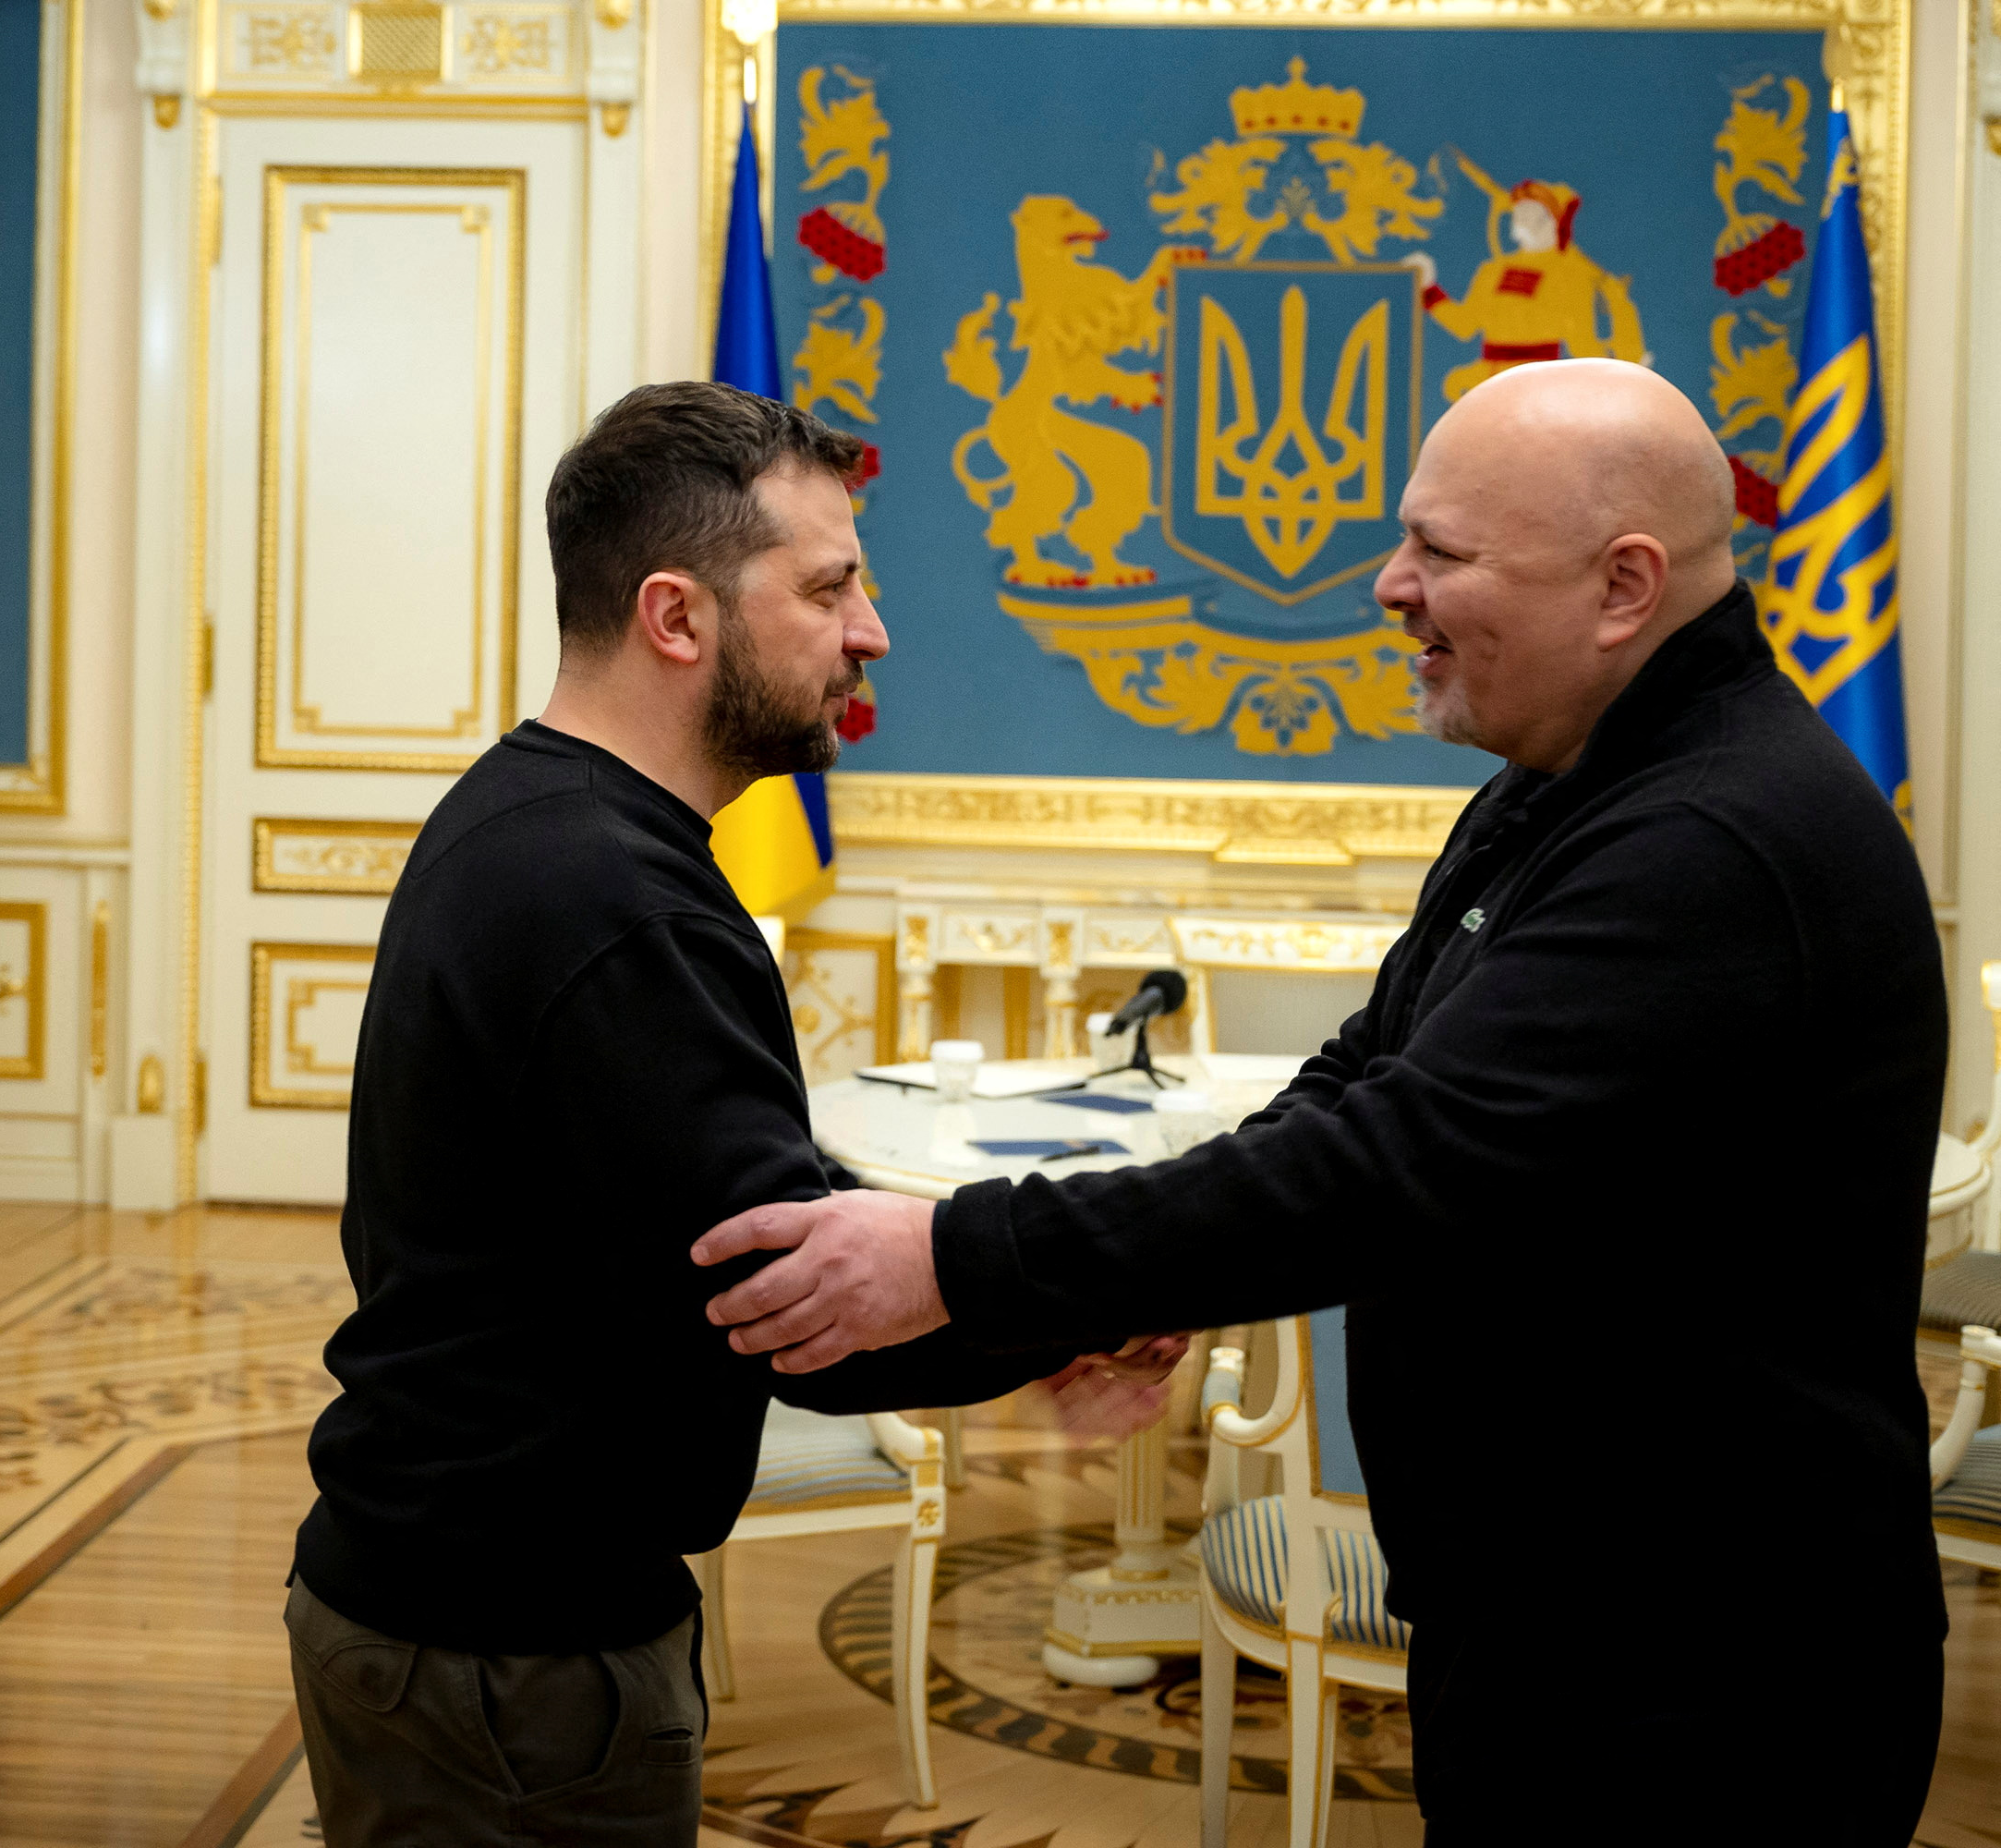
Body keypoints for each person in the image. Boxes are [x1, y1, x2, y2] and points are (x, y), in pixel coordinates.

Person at [694, 359, 1949, 1843]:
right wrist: (1145, 1281)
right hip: (1561, 1634)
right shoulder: (1568, 777)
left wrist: (958, 1256)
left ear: (1624, 587)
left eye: (1445, 554)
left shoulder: (1713, 840)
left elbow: (1399, 1165)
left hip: (1707, 1683)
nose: (1390, 584)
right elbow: (1368, 1077)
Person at [286, 382, 1117, 1848]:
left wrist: (995, 1278)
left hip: (454, 1616)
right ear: (678, 618)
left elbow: (736, 1185)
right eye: (829, 587)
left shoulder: (535, 821)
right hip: (508, 1663)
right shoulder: (614, 899)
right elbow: (789, 1299)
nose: (870, 634)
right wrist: (1074, 1305)